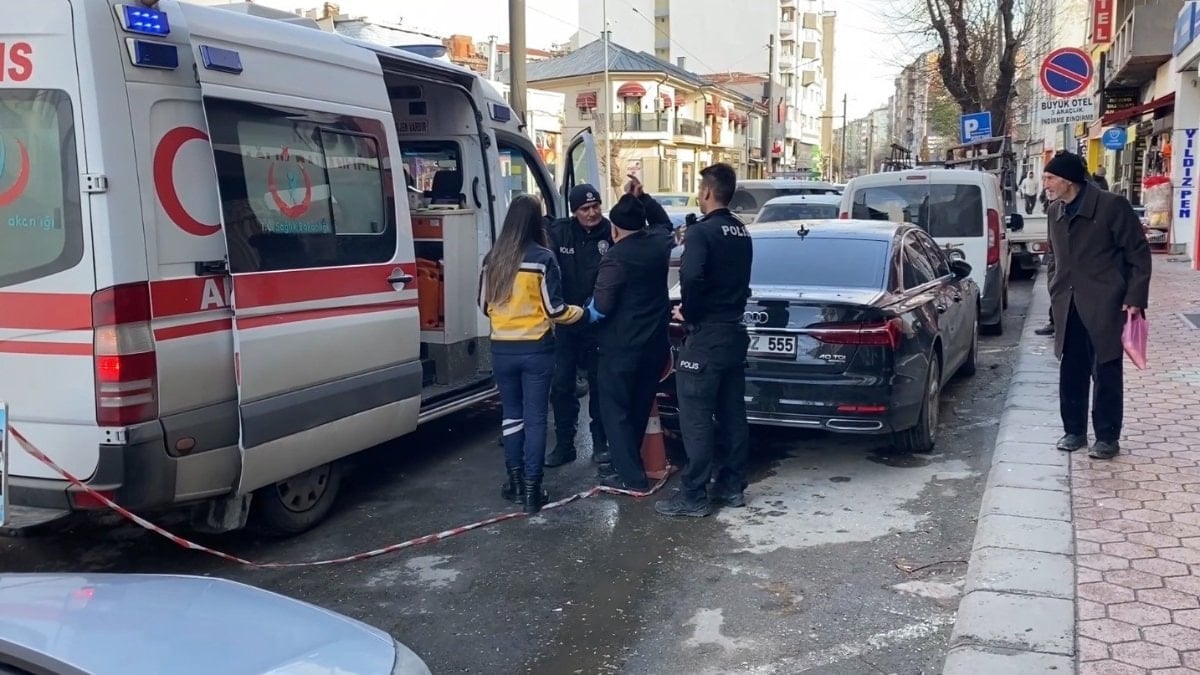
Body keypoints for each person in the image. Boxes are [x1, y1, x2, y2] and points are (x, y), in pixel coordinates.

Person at [656, 163, 753, 518]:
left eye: (700, 188)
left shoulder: (702, 233)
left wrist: (689, 313)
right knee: (732, 414)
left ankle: (694, 495)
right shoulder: (742, 231)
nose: (699, 194)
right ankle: (731, 487)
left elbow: (692, 278)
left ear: (708, 192)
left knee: (695, 416)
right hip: (733, 333)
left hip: (706, 335)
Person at [478, 194, 584, 513]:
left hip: (502, 350)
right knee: (536, 418)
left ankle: (513, 482)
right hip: (536, 350)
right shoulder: (542, 259)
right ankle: (532, 491)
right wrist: (582, 313)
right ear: (536, 222)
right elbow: (555, 310)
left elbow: (484, 306)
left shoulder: (492, 260)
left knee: (511, 416)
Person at [1043, 152, 1151, 461]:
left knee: (1105, 369)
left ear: (1068, 180)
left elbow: (1138, 254)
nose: (1046, 185)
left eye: (1050, 178)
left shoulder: (1111, 206)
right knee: (1071, 369)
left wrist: (1134, 298)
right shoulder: (1055, 211)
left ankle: (1106, 437)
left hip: (1107, 302)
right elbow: (1054, 257)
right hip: (1069, 302)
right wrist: (1054, 288)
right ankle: (1074, 431)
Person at [587, 180, 676, 491]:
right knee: (639, 406)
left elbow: (601, 306)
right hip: (654, 346)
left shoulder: (616, 258)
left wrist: (579, 314)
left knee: (615, 411)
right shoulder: (658, 243)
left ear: (614, 229)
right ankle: (631, 467)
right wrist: (644, 198)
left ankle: (629, 477)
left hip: (621, 347)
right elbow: (664, 222)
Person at [544, 184, 612, 468]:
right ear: (574, 211)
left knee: (600, 384)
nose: (592, 212)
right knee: (562, 386)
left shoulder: (611, 232)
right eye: (585, 208)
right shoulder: (560, 232)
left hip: (598, 323)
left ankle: (600, 443)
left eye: (595, 206)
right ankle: (564, 445)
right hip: (566, 323)